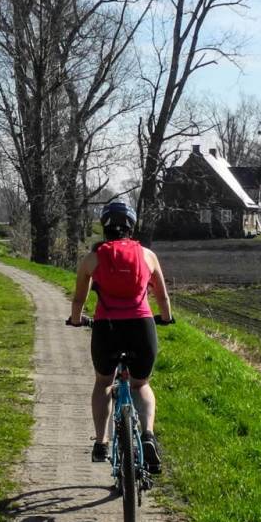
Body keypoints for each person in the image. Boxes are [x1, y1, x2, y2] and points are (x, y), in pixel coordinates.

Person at [64, 201, 174, 473]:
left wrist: (76, 320)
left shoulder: (93, 258)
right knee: (140, 384)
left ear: (104, 226)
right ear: (131, 226)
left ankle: (101, 442)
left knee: (103, 382)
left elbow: (79, 299)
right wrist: (166, 317)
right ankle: (147, 435)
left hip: (107, 328)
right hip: (141, 326)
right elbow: (162, 296)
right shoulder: (147, 255)